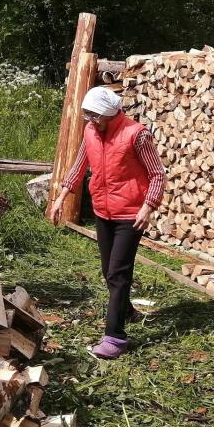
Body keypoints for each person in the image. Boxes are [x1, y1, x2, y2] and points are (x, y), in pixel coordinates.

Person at [49, 86, 165, 360]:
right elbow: (79, 165)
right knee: (108, 270)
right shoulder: (90, 131)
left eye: (96, 116)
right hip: (103, 212)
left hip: (130, 214)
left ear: (112, 114)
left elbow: (158, 174)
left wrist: (148, 206)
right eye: (87, 115)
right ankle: (127, 310)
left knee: (117, 273)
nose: (91, 120)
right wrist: (60, 198)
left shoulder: (136, 135)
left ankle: (115, 337)